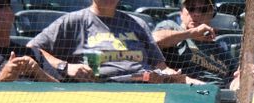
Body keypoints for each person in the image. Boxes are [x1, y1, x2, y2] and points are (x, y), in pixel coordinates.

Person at [28, 0, 170, 82]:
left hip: (145, 92)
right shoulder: (74, 21)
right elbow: (32, 49)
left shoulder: (138, 23)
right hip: (97, 94)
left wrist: (172, 76)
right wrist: (65, 67)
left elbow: (161, 67)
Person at [152, 0, 238, 88]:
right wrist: (192, 33)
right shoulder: (171, 27)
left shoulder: (218, 49)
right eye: (191, 8)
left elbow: (236, 73)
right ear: (181, 13)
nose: (196, 14)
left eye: (203, 9)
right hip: (188, 93)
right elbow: (154, 41)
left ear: (212, 15)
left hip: (221, 96)